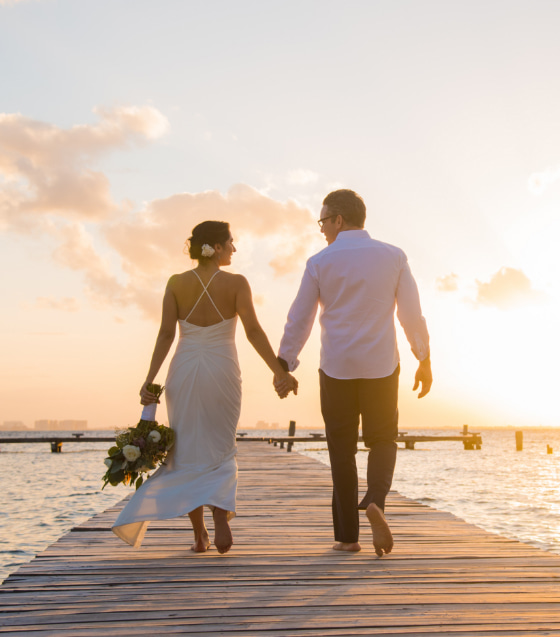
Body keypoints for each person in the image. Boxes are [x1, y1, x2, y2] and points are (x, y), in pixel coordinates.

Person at [112, 221, 298, 553]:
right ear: (217, 246)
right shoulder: (237, 283)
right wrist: (278, 372)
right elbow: (253, 331)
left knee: (185, 450)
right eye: (231, 242)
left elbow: (166, 335)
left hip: (183, 371)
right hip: (222, 370)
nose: (235, 249)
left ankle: (199, 535)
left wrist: (149, 379)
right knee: (220, 446)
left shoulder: (175, 283)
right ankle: (221, 514)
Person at [276, 190, 431, 557]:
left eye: (323, 222)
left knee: (341, 451)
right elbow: (410, 313)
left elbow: (300, 318)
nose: (322, 230)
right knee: (383, 439)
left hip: (337, 367)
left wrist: (285, 363)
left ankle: (348, 536)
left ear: (338, 220)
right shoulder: (393, 256)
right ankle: (375, 499)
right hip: (380, 365)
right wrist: (423, 357)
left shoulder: (319, 262)